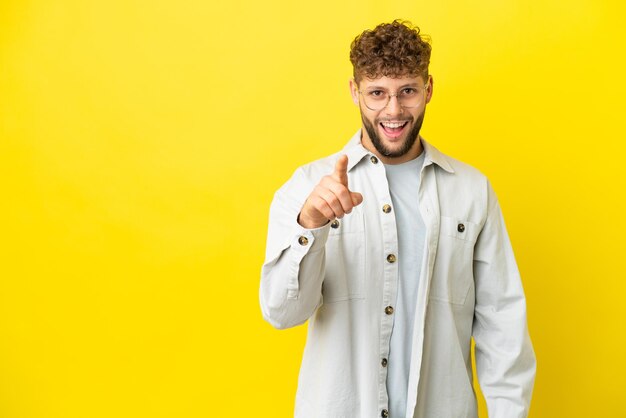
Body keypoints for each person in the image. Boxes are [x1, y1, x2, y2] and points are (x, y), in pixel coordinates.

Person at [259, 20, 536, 418]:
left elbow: (503, 324)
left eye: (407, 91)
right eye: (377, 93)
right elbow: (282, 313)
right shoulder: (307, 187)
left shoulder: (472, 191)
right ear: (355, 92)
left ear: (429, 89)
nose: (393, 110)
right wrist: (311, 227)